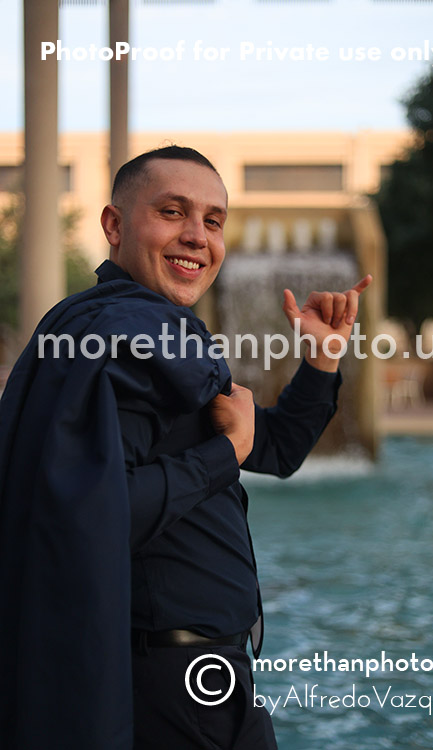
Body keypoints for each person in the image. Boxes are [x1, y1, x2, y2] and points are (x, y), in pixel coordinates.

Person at [0, 145, 371, 750]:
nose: (198, 236)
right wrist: (225, 453)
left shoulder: (124, 332)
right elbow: (94, 513)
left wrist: (321, 359)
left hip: (197, 675)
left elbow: (274, 450)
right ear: (114, 225)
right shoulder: (132, 339)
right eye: (172, 212)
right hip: (176, 684)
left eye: (213, 220)